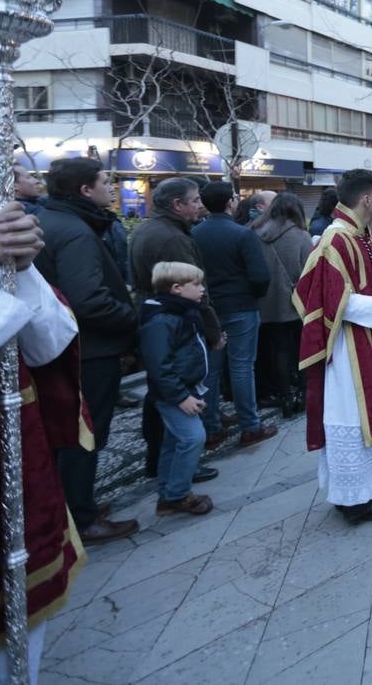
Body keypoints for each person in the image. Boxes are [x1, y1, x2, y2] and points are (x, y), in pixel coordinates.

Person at [0, 96, 86, 681]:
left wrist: (18, 268)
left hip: (15, 468)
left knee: (23, 638)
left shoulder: (6, 232)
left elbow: (49, 344)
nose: (12, 176)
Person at [293, 168, 372, 524]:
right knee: (354, 414)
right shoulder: (334, 240)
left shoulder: (366, 237)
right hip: (348, 346)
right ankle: (353, 499)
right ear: (366, 200)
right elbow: (332, 300)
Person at [33, 157, 142, 543]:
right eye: (105, 181)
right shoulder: (75, 231)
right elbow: (88, 300)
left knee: (67, 433)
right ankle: (80, 517)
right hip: (88, 350)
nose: (112, 188)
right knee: (85, 434)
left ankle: (73, 504)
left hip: (60, 347)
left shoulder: (51, 221)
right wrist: (130, 318)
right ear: (85, 190)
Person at [129, 177, 223, 476]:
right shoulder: (170, 238)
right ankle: (178, 470)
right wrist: (211, 331)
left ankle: (164, 464)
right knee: (176, 397)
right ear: (177, 205)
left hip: (166, 318)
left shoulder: (154, 228)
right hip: (177, 324)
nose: (200, 206)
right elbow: (193, 288)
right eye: (195, 200)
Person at [192, 181, 276, 449]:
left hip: (209, 307)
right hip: (241, 305)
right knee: (242, 367)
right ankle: (250, 426)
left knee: (211, 370)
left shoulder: (194, 233)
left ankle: (212, 427)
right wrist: (254, 294)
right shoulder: (241, 234)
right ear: (230, 202)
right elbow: (260, 275)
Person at [139, 261, 214, 517]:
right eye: (197, 284)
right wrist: (182, 397)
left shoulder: (182, 312)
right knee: (193, 438)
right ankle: (178, 494)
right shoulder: (162, 320)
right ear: (177, 288)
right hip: (173, 393)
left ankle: (167, 494)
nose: (202, 289)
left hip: (183, 388)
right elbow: (159, 365)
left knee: (173, 441)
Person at [255, 192, 313, 417]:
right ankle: (302, 392)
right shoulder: (300, 235)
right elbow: (309, 269)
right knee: (301, 349)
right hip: (296, 301)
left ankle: (285, 397)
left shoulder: (256, 232)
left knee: (277, 350)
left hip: (266, 303)